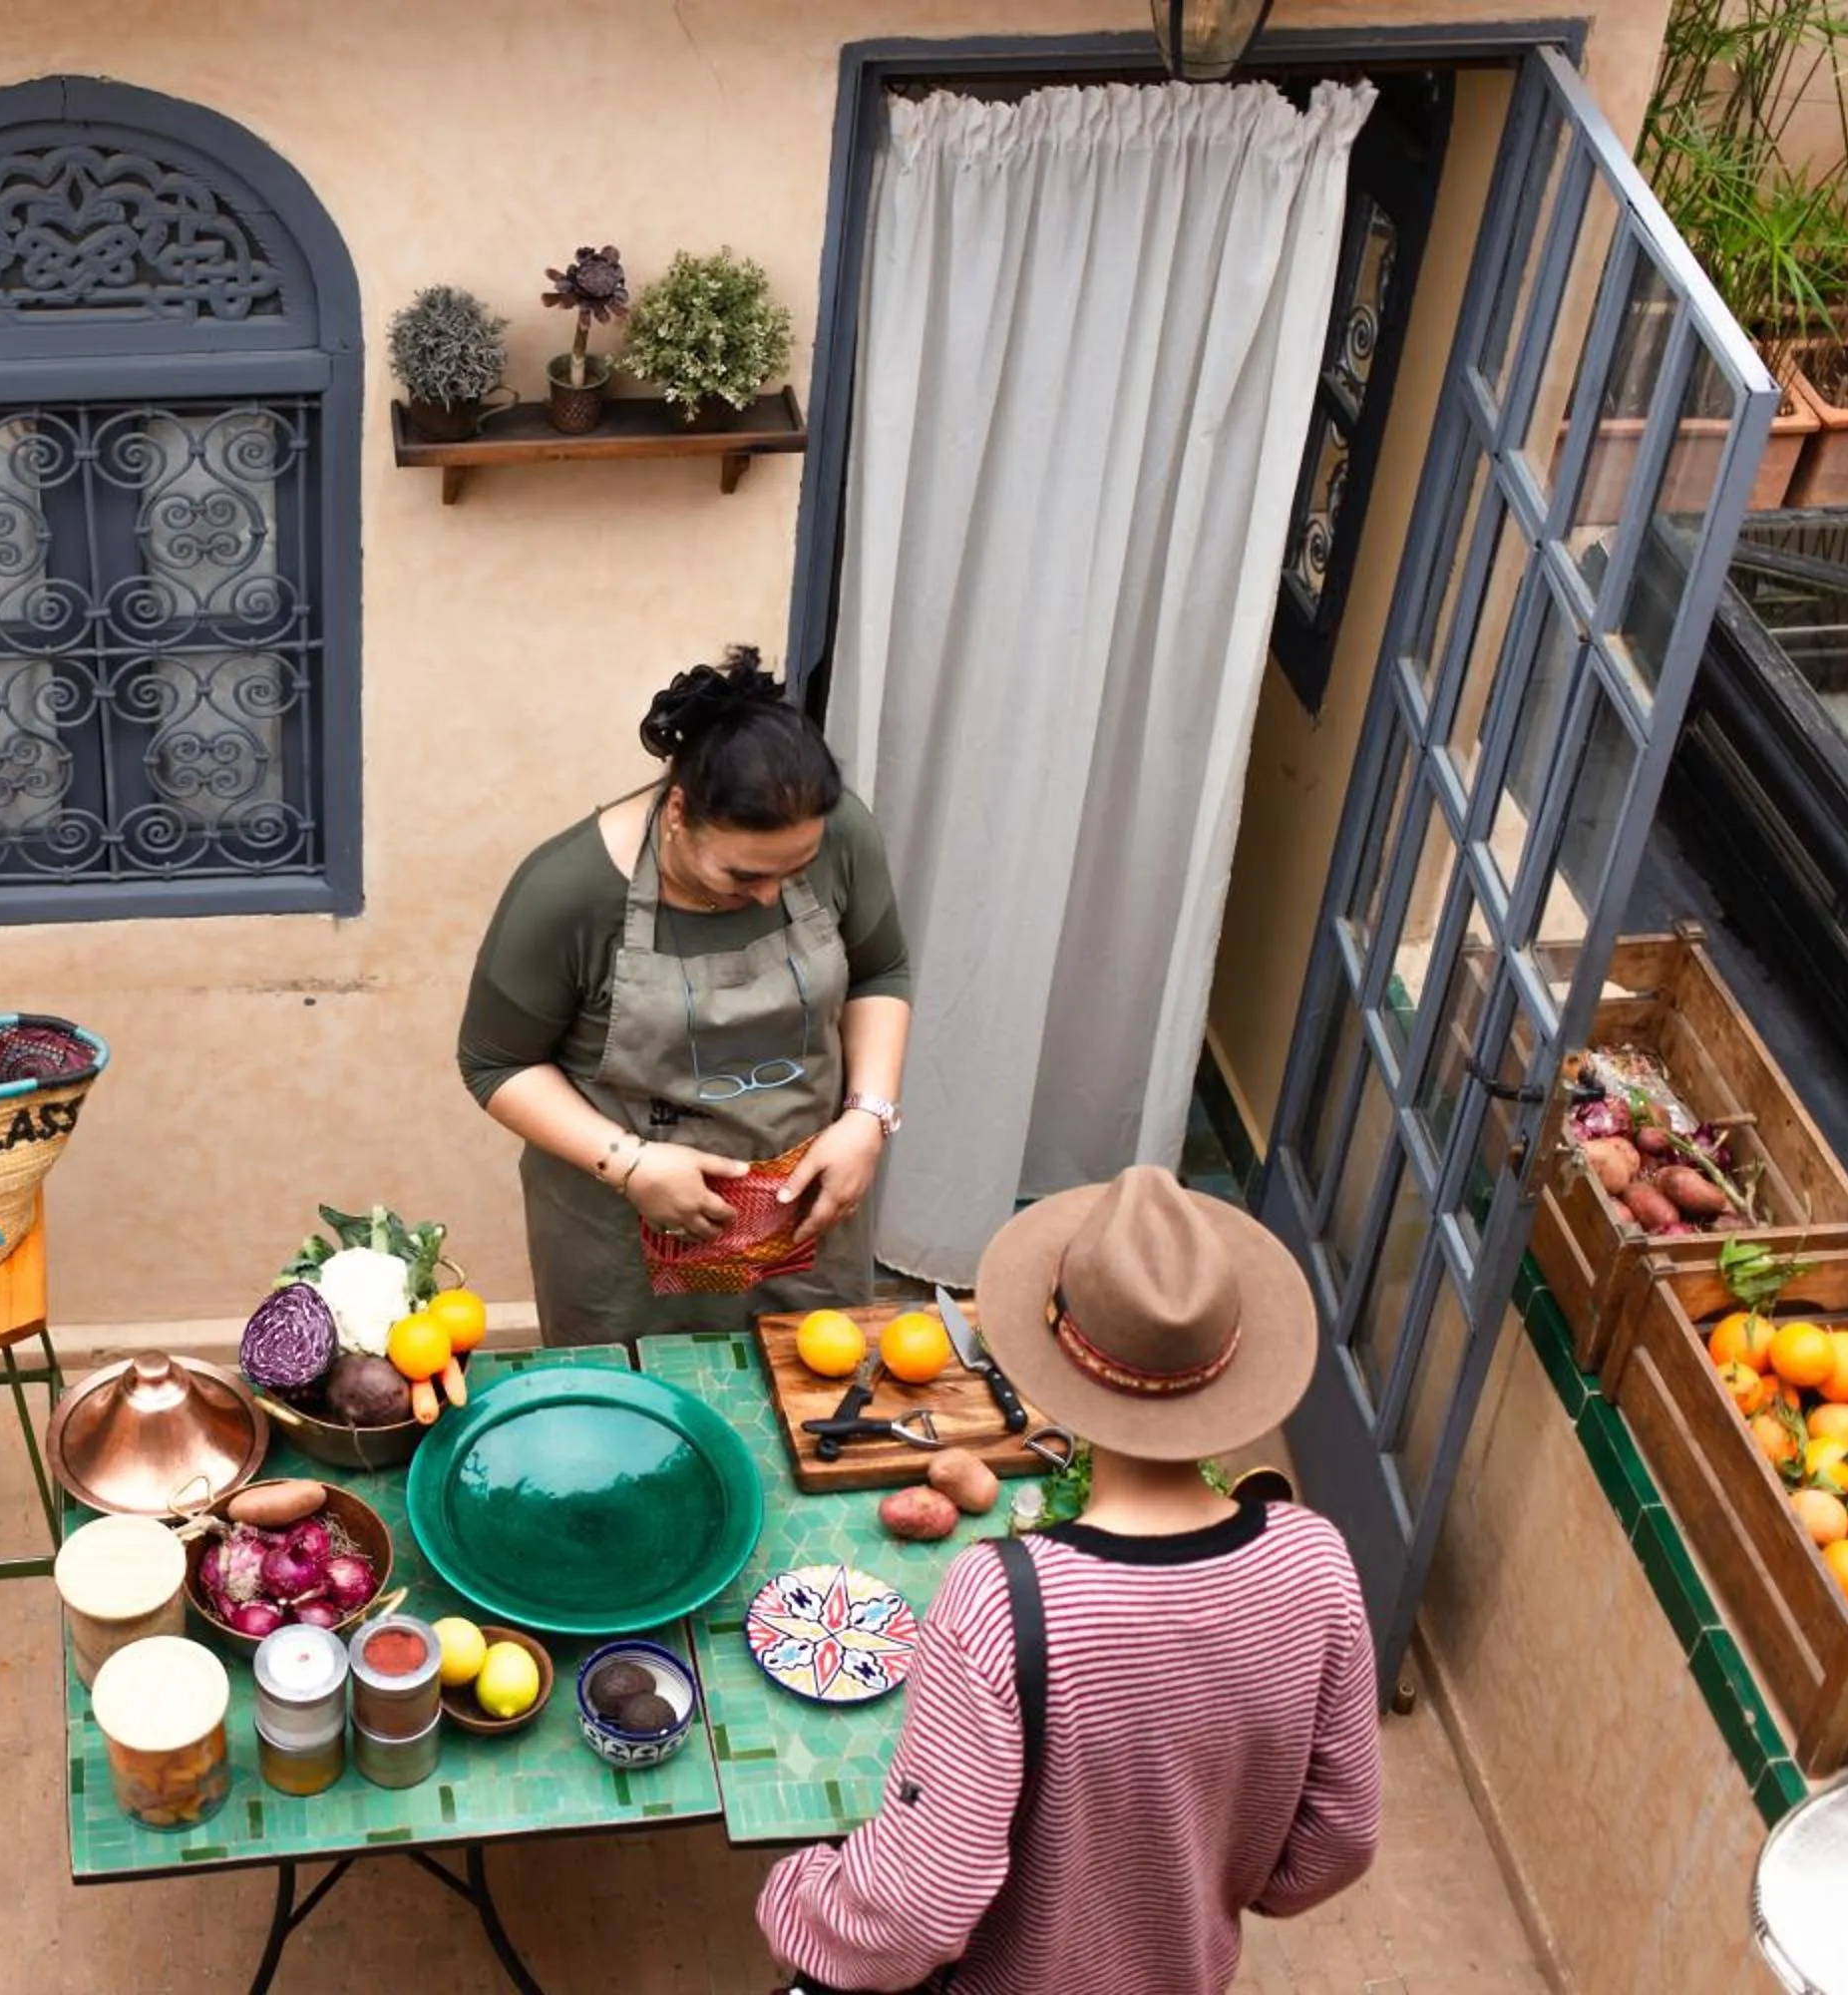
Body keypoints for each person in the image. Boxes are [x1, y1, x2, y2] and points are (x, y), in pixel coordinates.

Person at [756, 1164, 1381, 1994]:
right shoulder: (1316, 1563)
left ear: (1062, 1369)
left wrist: (798, 1904)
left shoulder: (1001, 1601)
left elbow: (917, 1904)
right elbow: (1338, 1840)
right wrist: (1190, 1887)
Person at [456, 648, 914, 1345]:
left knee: (814, 1409)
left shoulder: (838, 832)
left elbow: (880, 973)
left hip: (808, 1222)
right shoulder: (567, 893)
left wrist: (867, 1120)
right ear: (677, 811)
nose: (770, 894)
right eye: (742, 875)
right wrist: (630, 1162)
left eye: (796, 869)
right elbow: (495, 1063)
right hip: (624, 1240)